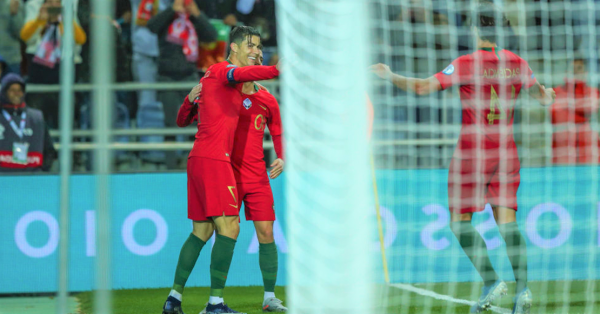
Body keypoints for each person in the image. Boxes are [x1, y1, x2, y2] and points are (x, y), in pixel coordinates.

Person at [371, 3, 555, 314]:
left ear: (474, 29)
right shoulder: (517, 63)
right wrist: (548, 93)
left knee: (459, 222)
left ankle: (491, 280)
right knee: (507, 222)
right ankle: (523, 289)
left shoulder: (467, 63)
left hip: (474, 151)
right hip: (507, 151)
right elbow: (543, 97)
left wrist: (388, 75)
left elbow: (421, 88)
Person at [162, 25, 280, 314]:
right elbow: (241, 74)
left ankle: (174, 299)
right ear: (234, 48)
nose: (255, 51)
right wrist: (278, 69)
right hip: (215, 160)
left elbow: (181, 121)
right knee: (230, 227)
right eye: (250, 46)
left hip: (200, 159)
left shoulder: (224, 83)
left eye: (259, 47)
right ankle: (215, 304)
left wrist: (191, 99)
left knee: (201, 231)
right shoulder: (221, 70)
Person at [147, 0, 217, 169]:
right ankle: (170, 165)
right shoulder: (167, 17)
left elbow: (212, 35)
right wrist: (172, 11)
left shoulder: (193, 19)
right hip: (167, 77)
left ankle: (194, 165)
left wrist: (197, 14)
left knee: (194, 122)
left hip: (189, 76)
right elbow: (151, 27)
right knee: (170, 122)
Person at [20, 0, 87, 129]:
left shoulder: (68, 11)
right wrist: (40, 20)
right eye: (50, 3)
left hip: (64, 70)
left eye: (57, 3)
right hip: (39, 72)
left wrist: (65, 20)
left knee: (65, 117)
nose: (54, 6)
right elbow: (25, 36)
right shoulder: (35, 9)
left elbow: (81, 39)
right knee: (37, 119)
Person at [0, 73, 56, 172]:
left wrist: (40, 171)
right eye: (12, 90)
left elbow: (49, 150)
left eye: (19, 90)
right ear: (4, 92)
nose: (17, 94)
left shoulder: (36, 117)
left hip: (31, 179)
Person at [551, 58, 600, 164]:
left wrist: (567, 104)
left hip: (587, 147)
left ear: (585, 72)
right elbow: (555, 115)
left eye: (578, 68)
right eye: (572, 69)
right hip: (563, 146)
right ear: (566, 72)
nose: (575, 72)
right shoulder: (556, 92)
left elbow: (591, 108)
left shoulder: (593, 92)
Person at [0, 0, 25, 75]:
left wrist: (14, 15)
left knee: (14, 86)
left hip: (11, 59)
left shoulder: (14, 2)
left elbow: (21, 35)